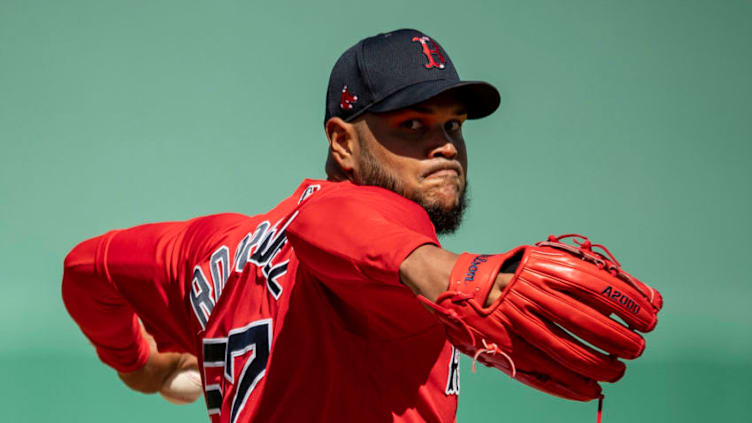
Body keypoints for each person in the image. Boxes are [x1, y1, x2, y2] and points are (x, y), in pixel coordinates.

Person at [63, 29, 660, 423]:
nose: (445, 146)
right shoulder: (387, 252)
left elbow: (86, 269)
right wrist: (450, 273)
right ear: (343, 143)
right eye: (413, 126)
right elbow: (334, 220)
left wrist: (140, 364)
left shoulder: (215, 248)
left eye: (453, 127)